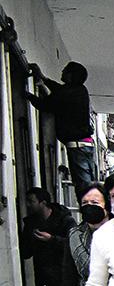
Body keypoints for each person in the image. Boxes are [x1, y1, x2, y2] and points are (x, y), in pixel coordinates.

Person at [28, 62, 95, 200]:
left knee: (83, 187)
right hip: (84, 145)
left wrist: (27, 95)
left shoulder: (68, 93)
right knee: (87, 186)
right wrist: (44, 79)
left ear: (70, 75)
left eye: (65, 71)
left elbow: (46, 105)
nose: (62, 73)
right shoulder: (80, 90)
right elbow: (60, 91)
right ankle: (92, 216)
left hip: (78, 146)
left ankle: (90, 219)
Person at [20, 188, 76, 286]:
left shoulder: (64, 219)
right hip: (45, 267)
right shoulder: (31, 223)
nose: (28, 205)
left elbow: (74, 244)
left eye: (31, 201)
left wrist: (51, 239)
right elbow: (25, 251)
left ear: (43, 203)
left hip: (64, 266)